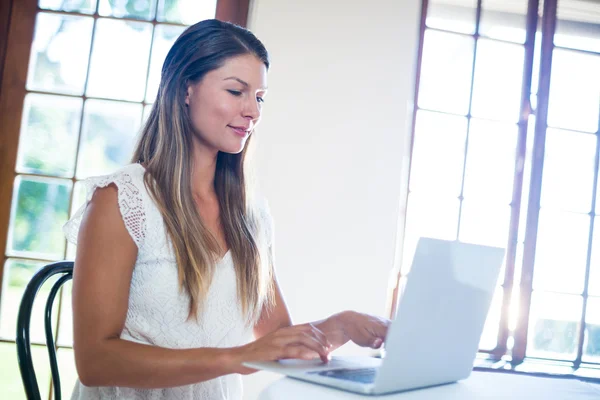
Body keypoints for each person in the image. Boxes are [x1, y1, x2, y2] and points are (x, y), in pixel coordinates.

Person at [63, 19, 390, 399]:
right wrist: (235, 356)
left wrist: (342, 326)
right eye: (237, 91)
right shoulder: (123, 201)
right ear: (186, 89)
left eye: (260, 97)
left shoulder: (250, 216)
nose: (253, 111)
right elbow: (94, 362)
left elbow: (275, 343)